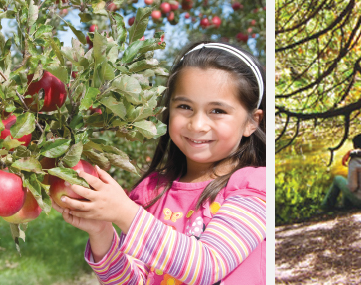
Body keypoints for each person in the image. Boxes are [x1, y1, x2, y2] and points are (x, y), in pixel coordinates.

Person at [56, 42, 267, 284]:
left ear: (252, 121)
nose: (197, 125)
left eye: (217, 110)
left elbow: (208, 265)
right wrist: (102, 230)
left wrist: (125, 213)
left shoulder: (253, 188)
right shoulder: (151, 192)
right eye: (185, 107)